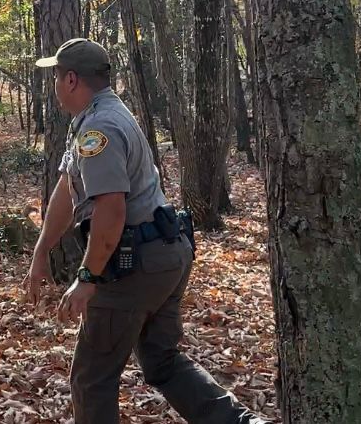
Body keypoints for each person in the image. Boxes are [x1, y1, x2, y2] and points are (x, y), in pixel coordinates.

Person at [23, 37, 266, 424]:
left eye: (55, 77)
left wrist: (88, 277)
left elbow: (111, 211)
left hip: (134, 262)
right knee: (161, 361)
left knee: (92, 378)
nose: (53, 86)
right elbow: (68, 191)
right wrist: (41, 251)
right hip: (166, 252)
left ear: (71, 80)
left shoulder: (99, 127)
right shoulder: (97, 116)